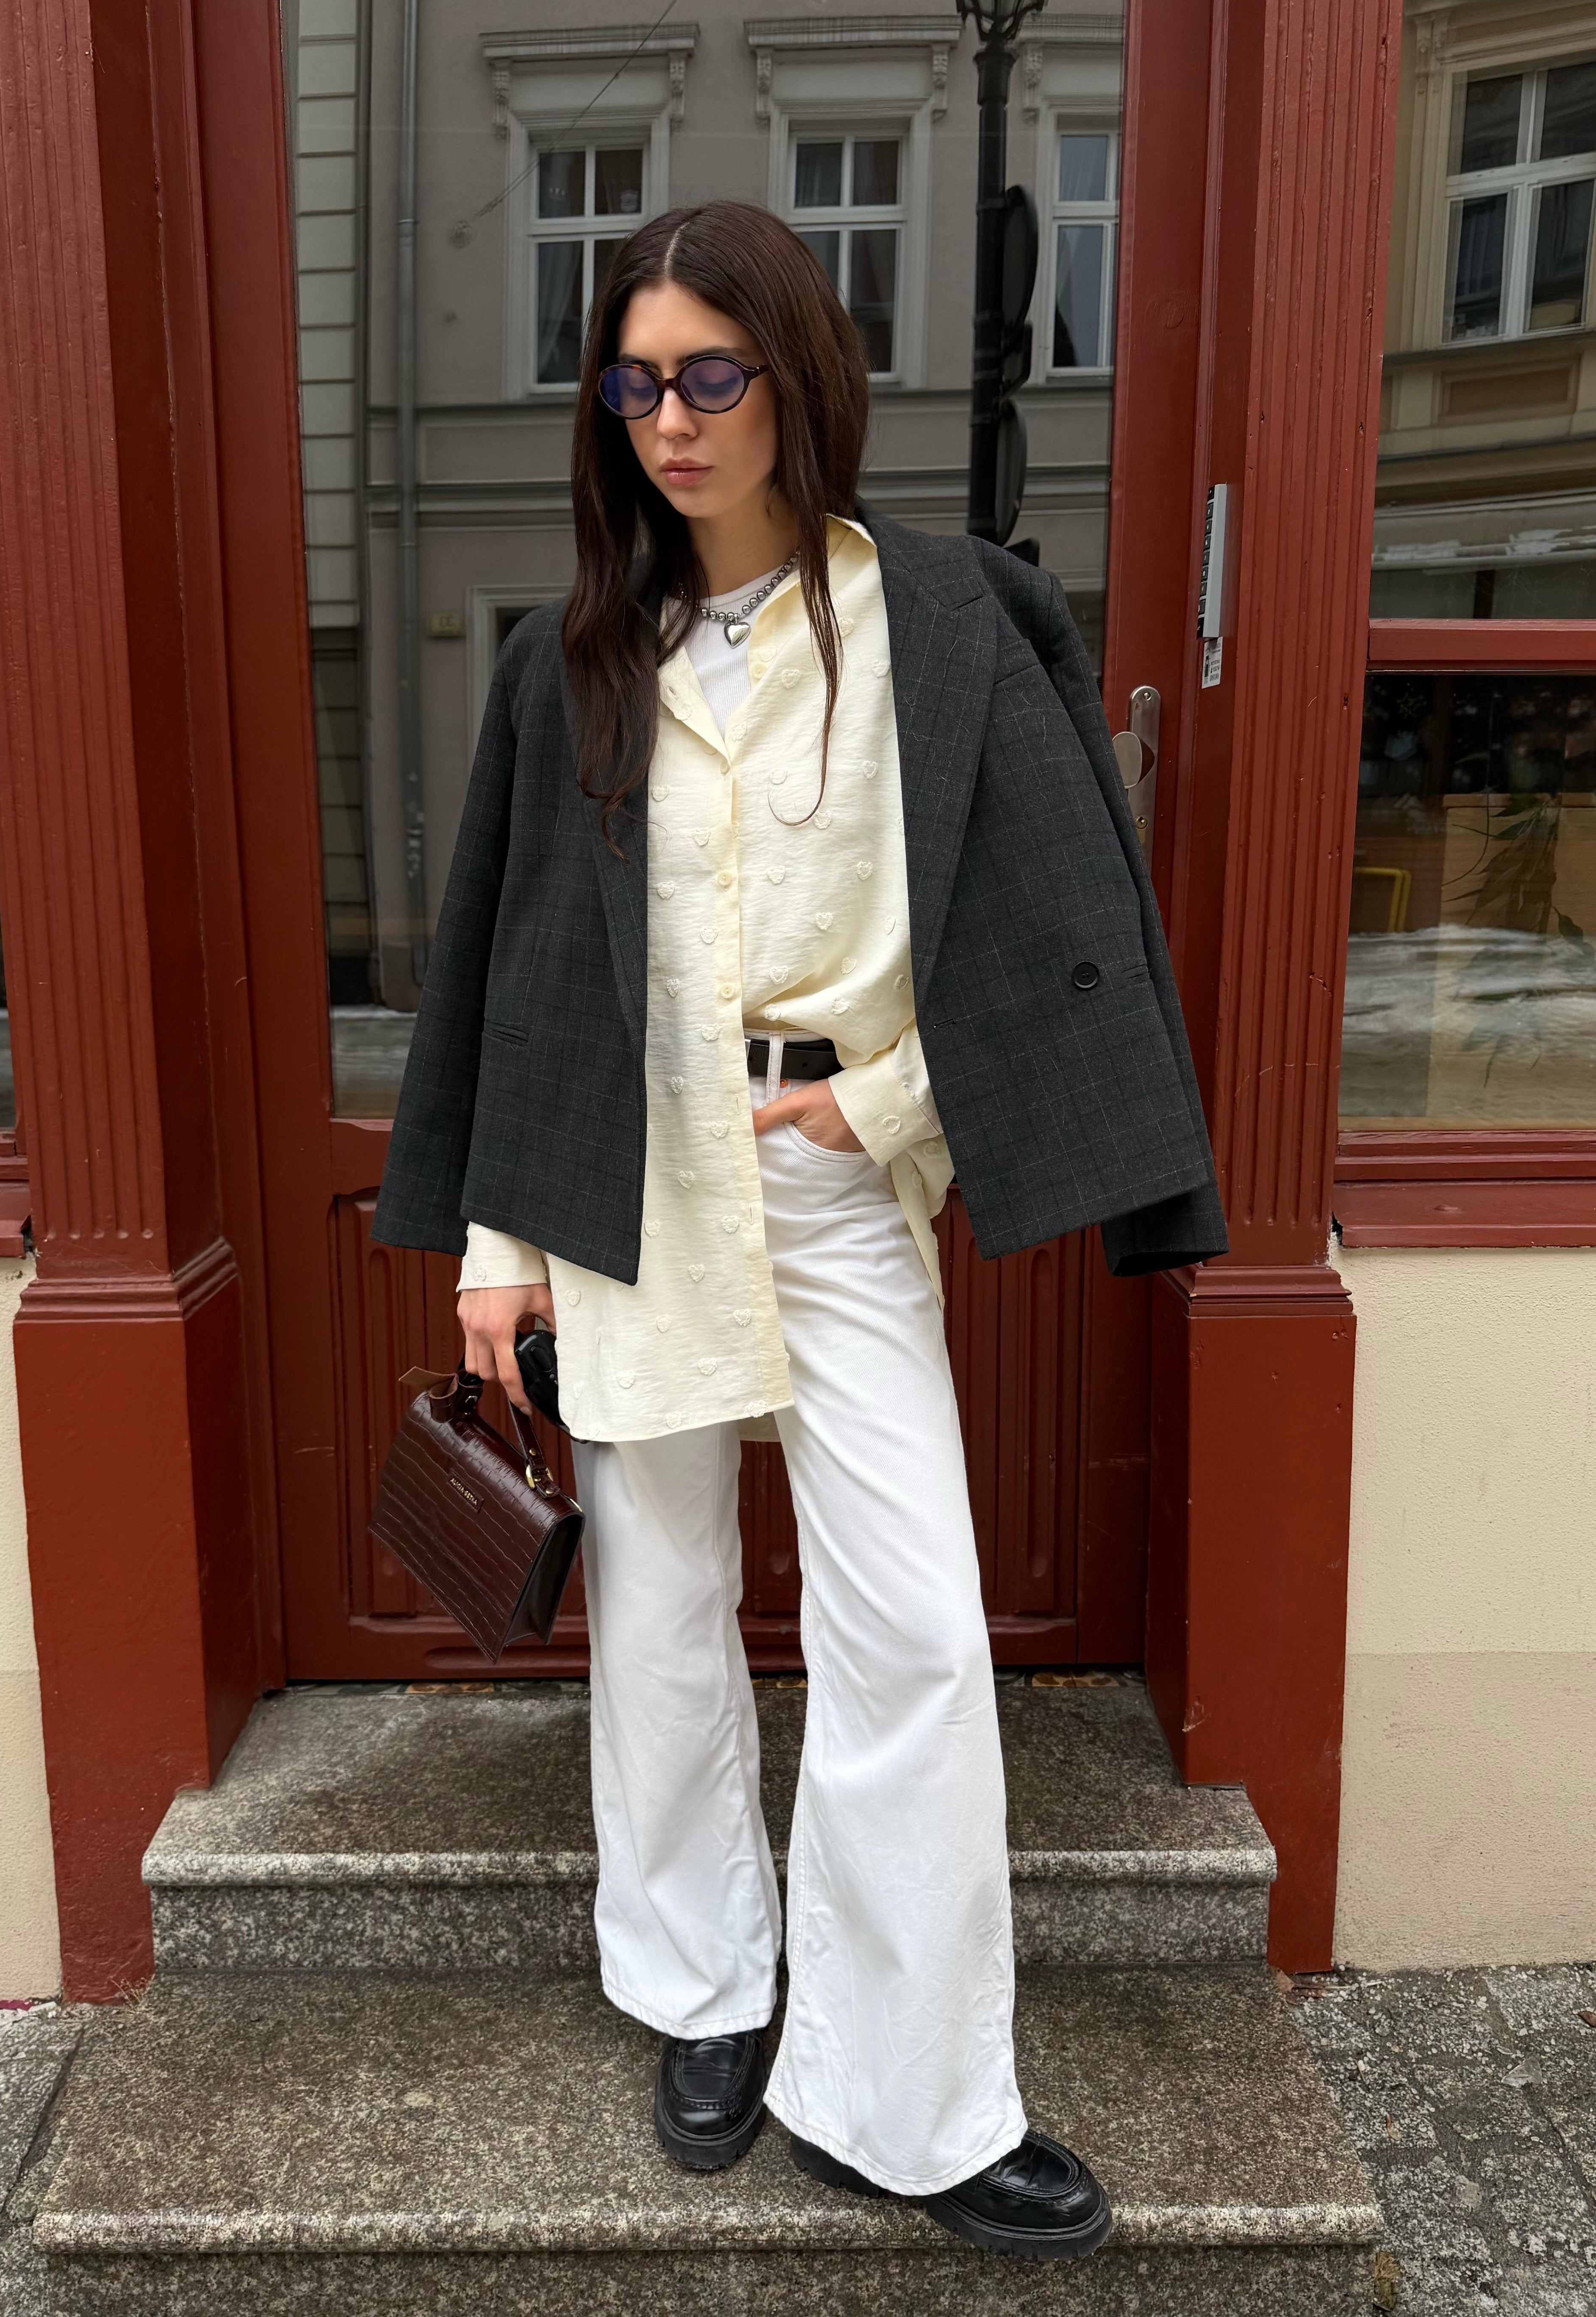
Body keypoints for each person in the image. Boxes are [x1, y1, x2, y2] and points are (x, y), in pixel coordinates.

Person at [370, 200, 1226, 2261]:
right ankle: (705, 1992)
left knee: (911, 1624)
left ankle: (907, 2094)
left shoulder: (944, 618)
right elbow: (511, 972)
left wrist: (892, 1102)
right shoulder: (571, 659)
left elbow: (1049, 912)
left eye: (711, 375)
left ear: (796, 377)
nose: (671, 421)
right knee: (662, 1606)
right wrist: (494, 1247)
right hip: (623, 1182)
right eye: (634, 381)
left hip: (831, 1177)